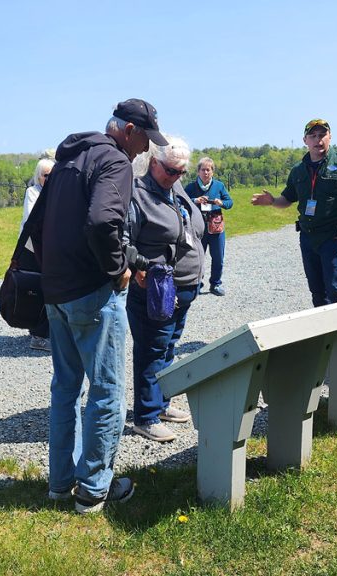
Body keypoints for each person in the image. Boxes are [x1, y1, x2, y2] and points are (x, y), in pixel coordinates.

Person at [29, 99, 167, 514]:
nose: (146, 150)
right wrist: (116, 270)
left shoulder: (72, 159)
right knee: (106, 393)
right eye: (144, 138)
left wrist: (129, 260)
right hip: (91, 293)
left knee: (65, 390)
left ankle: (60, 483)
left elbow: (43, 226)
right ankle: (93, 489)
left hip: (57, 293)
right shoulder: (116, 162)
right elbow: (102, 222)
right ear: (127, 130)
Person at [124, 136, 205, 443]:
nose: (177, 176)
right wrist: (140, 267)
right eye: (171, 170)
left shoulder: (175, 189)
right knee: (151, 351)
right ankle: (145, 416)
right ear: (153, 163)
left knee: (169, 346)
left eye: (182, 171)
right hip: (155, 289)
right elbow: (123, 241)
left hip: (183, 287)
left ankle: (162, 403)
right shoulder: (137, 194)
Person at [252, 119, 337, 306]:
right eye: (313, 136)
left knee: (335, 289)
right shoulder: (298, 170)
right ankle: (325, 333)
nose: (318, 139)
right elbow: (286, 200)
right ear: (305, 140)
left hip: (334, 237)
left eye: (322, 135)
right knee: (317, 292)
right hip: (308, 237)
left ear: (330, 137)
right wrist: (272, 201)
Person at [18, 156, 55, 352]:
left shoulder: (56, 193)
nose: (48, 179)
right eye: (45, 175)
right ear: (38, 176)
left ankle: (43, 331)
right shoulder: (33, 192)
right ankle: (38, 335)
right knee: (37, 290)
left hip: (49, 248)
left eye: (52, 175)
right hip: (33, 249)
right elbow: (32, 221)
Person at [184, 157, 232, 296]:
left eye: (208, 170)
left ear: (212, 172)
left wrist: (221, 203)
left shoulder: (219, 186)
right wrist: (194, 200)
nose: (206, 172)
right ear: (198, 171)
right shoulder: (191, 187)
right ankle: (197, 283)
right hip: (198, 228)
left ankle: (215, 284)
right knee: (197, 257)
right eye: (203, 170)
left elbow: (230, 202)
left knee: (218, 257)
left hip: (216, 227)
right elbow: (181, 202)